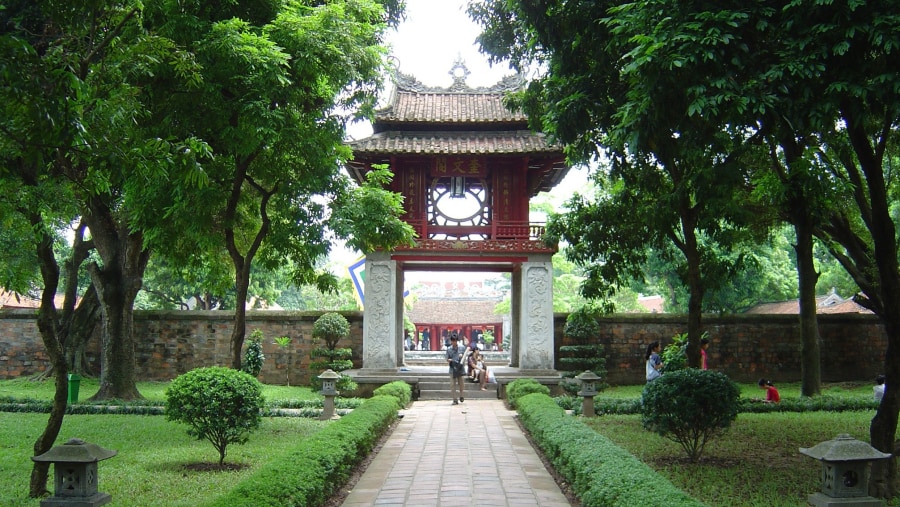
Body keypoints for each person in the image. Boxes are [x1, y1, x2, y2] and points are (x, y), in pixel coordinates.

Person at [446, 333, 467, 405]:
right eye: (452, 341)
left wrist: (461, 358)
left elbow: (465, 358)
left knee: (461, 384)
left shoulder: (462, 347)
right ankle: (455, 399)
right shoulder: (449, 349)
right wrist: (450, 360)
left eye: (454, 341)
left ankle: (461, 395)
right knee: (452, 384)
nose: (453, 342)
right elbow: (447, 358)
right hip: (452, 368)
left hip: (460, 368)